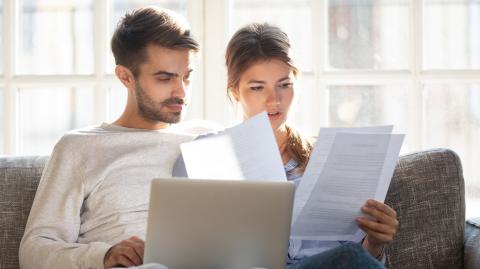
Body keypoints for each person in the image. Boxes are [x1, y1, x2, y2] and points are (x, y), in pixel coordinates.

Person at [19, 6, 218, 269]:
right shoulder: (80, 147)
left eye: (187, 77)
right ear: (126, 77)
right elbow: (34, 250)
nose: (181, 92)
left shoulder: (208, 137)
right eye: (165, 78)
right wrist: (104, 255)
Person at [224, 22, 399, 268]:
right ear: (234, 91)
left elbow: (359, 258)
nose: (274, 100)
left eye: (284, 85)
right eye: (257, 88)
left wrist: (375, 242)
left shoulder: (326, 155)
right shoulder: (215, 158)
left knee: (350, 255)